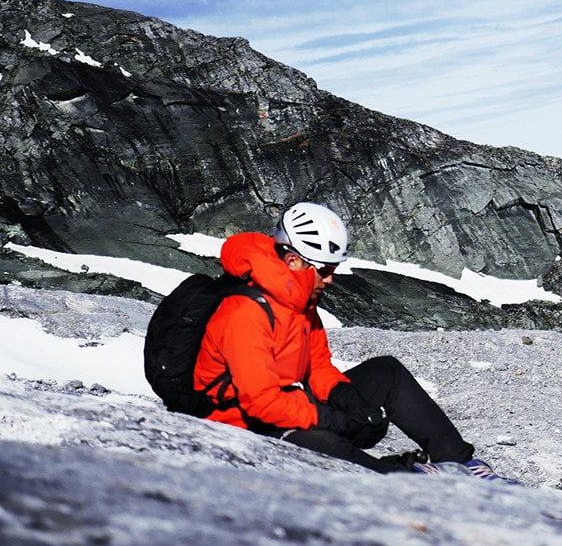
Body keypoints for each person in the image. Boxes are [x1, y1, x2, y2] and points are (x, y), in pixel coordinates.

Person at [193, 201, 506, 480]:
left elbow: (317, 367)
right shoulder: (244, 311)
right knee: (326, 444)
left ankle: (464, 464)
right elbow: (260, 402)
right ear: (293, 262)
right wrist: (328, 420)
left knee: (388, 374)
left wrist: (347, 397)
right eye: (324, 270)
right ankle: (412, 478)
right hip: (245, 429)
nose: (329, 279)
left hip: (288, 411)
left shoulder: (300, 304)